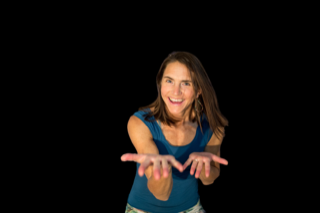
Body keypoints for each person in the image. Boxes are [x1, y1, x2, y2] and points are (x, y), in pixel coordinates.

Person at [121, 51, 229, 213]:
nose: (176, 92)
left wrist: (204, 168)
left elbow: (209, 180)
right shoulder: (140, 122)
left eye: (186, 83)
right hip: (142, 209)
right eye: (169, 81)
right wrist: (162, 171)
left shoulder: (213, 127)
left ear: (199, 90)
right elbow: (161, 194)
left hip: (190, 208)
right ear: (160, 83)